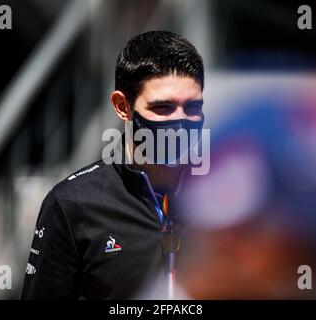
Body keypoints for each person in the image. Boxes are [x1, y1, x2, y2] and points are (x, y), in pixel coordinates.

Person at [21, 30, 205, 299]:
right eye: (163, 107)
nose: (179, 122)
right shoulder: (74, 204)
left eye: (192, 107)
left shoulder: (231, 198)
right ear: (122, 106)